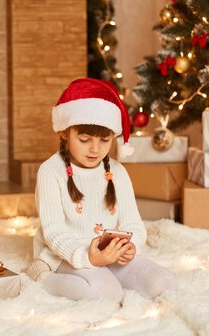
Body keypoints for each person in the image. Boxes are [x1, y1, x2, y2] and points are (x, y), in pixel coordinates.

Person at [26, 77, 177, 303]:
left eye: (105, 140)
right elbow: (54, 231)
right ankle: (43, 277)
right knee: (106, 294)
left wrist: (130, 246)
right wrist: (86, 257)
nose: (95, 149)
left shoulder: (117, 172)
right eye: (85, 139)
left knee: (163, 284)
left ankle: (105, 271)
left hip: (109, 254)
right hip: (68, 254)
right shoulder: (50, 171)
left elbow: (133, 224)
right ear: (65, 132)